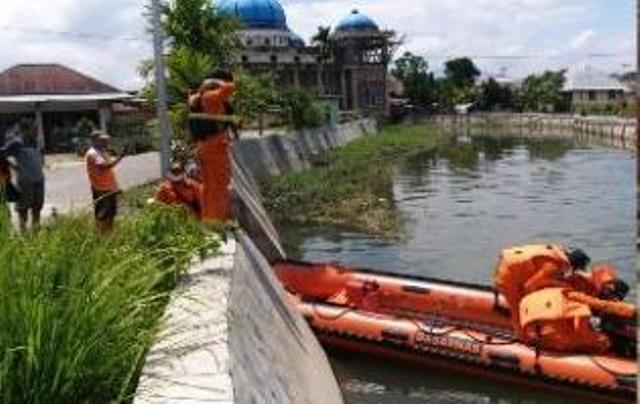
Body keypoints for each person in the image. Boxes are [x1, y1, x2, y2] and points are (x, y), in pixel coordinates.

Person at [518, 264, 635, 354]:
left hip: (530, 336)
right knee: (605, 341)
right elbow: (597, 308)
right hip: (557, 339)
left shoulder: (533, 296)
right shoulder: (574, 297)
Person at [493, 244, 589, 330]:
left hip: (508, 265)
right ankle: (523, 338)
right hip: (508, 275)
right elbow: (529, 287)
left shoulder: (556, 253)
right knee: (519, 311)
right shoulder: (552, 267)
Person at [188, 69, 236, 222]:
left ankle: (209, 219)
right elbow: (230, 88)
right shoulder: (210, 97)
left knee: (210, 187)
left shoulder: (198, 97)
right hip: (214, 148)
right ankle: (216, 222)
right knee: (219, 187)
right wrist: (215, 82)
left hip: (208, 147)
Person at [2, 119, 45, 230]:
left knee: (37, 207)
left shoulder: (37, 142)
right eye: (33, 129)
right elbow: (2, 154)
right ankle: (24, 234)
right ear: (24, 130)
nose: (36, 131)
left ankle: (36, 232)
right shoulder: (16, 143)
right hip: (26, 181)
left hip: (39, 179)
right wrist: (13, 165)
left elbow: (41, 158)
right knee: (23, 208)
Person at [85, 131, 123, 233]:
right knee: (102, 215)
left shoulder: (102, 152)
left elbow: (108, 169)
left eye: (105, 140)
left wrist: (116, 187)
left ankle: (108, 236)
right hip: (101, 189)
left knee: (110, 214)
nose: (105, 142)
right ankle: (101, 237)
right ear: (94, 141)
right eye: (102, 140)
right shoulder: (93, 153)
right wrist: (120, 157)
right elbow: (104, 167)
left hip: (109, 188)